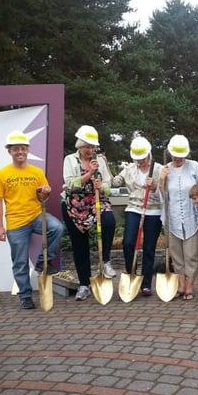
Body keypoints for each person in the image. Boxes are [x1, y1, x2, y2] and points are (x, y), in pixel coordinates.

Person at [0, 130, 64, 310]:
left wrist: (45, 193)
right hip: (16, 223)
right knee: (20, 261)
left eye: (23, 148)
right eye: (16, 149)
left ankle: (43, 261)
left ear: (27, 150)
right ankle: (25, 296)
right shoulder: (1, 174)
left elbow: (42, 198)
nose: (20, 152)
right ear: (9, 151)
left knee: (57, 228)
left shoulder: (37, 172)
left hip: (37, 216)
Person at [61, 125, 117, 301]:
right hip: (75, 205)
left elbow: (109, 185)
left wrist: (103, 187)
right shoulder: (70, 160)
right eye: (87, 147)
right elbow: (70, 185)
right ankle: (84, 284)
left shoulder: (101, 160)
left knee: (109, 221)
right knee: (80, 246)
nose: (90, 150)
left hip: (96, 202)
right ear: (80, 146)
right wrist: (89, 173)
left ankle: (106, 260)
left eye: (93, 147)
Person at [112, 136, 163, 296]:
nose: (139, 162)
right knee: (128, 242)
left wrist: (155, 186)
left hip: (153, 210)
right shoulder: (130, 169)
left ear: (149, 155)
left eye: (142, 159)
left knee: (149, 247)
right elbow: (116, 181)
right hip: (134, 208)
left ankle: (146, 284)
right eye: (137, 159)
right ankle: (131, 273)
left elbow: (165, 192)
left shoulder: (159, 169)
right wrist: (113, 178)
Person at [158, 135, 198, 300]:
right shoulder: (165, 169)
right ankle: (181, 283)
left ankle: (190, 284)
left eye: (181, 155)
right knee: (176, 253)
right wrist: (162, 179)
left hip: (192, 216)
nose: (178, 158)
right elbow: (162, 197)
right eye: (175, 154)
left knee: (191, 253)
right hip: (173, 218)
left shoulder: (194, 167)